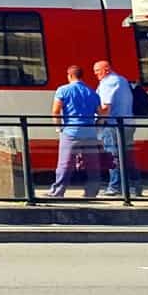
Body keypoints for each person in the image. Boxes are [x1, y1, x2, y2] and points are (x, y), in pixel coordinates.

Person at [48, 64, 101, 198]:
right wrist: (96, 126)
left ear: (70, 75)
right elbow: (101, 114)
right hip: (90, 133)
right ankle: (92, 192)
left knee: (65, 163)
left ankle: (58, 191)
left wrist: (59, 127)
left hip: (71, 132)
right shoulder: (92, 92)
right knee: (92, 164)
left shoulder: (63, 90)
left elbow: (55, 111)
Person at [93, 59, 134, 197]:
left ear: (106, 69)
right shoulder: (122, 80)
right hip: (127, 123)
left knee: (113, 156)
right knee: (127, 156)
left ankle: (115, 187)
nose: (95, 74)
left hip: (112, 125)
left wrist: (97, 123)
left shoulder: (108, 83)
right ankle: (133, 187)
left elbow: (105, 107)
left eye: (97, 71)